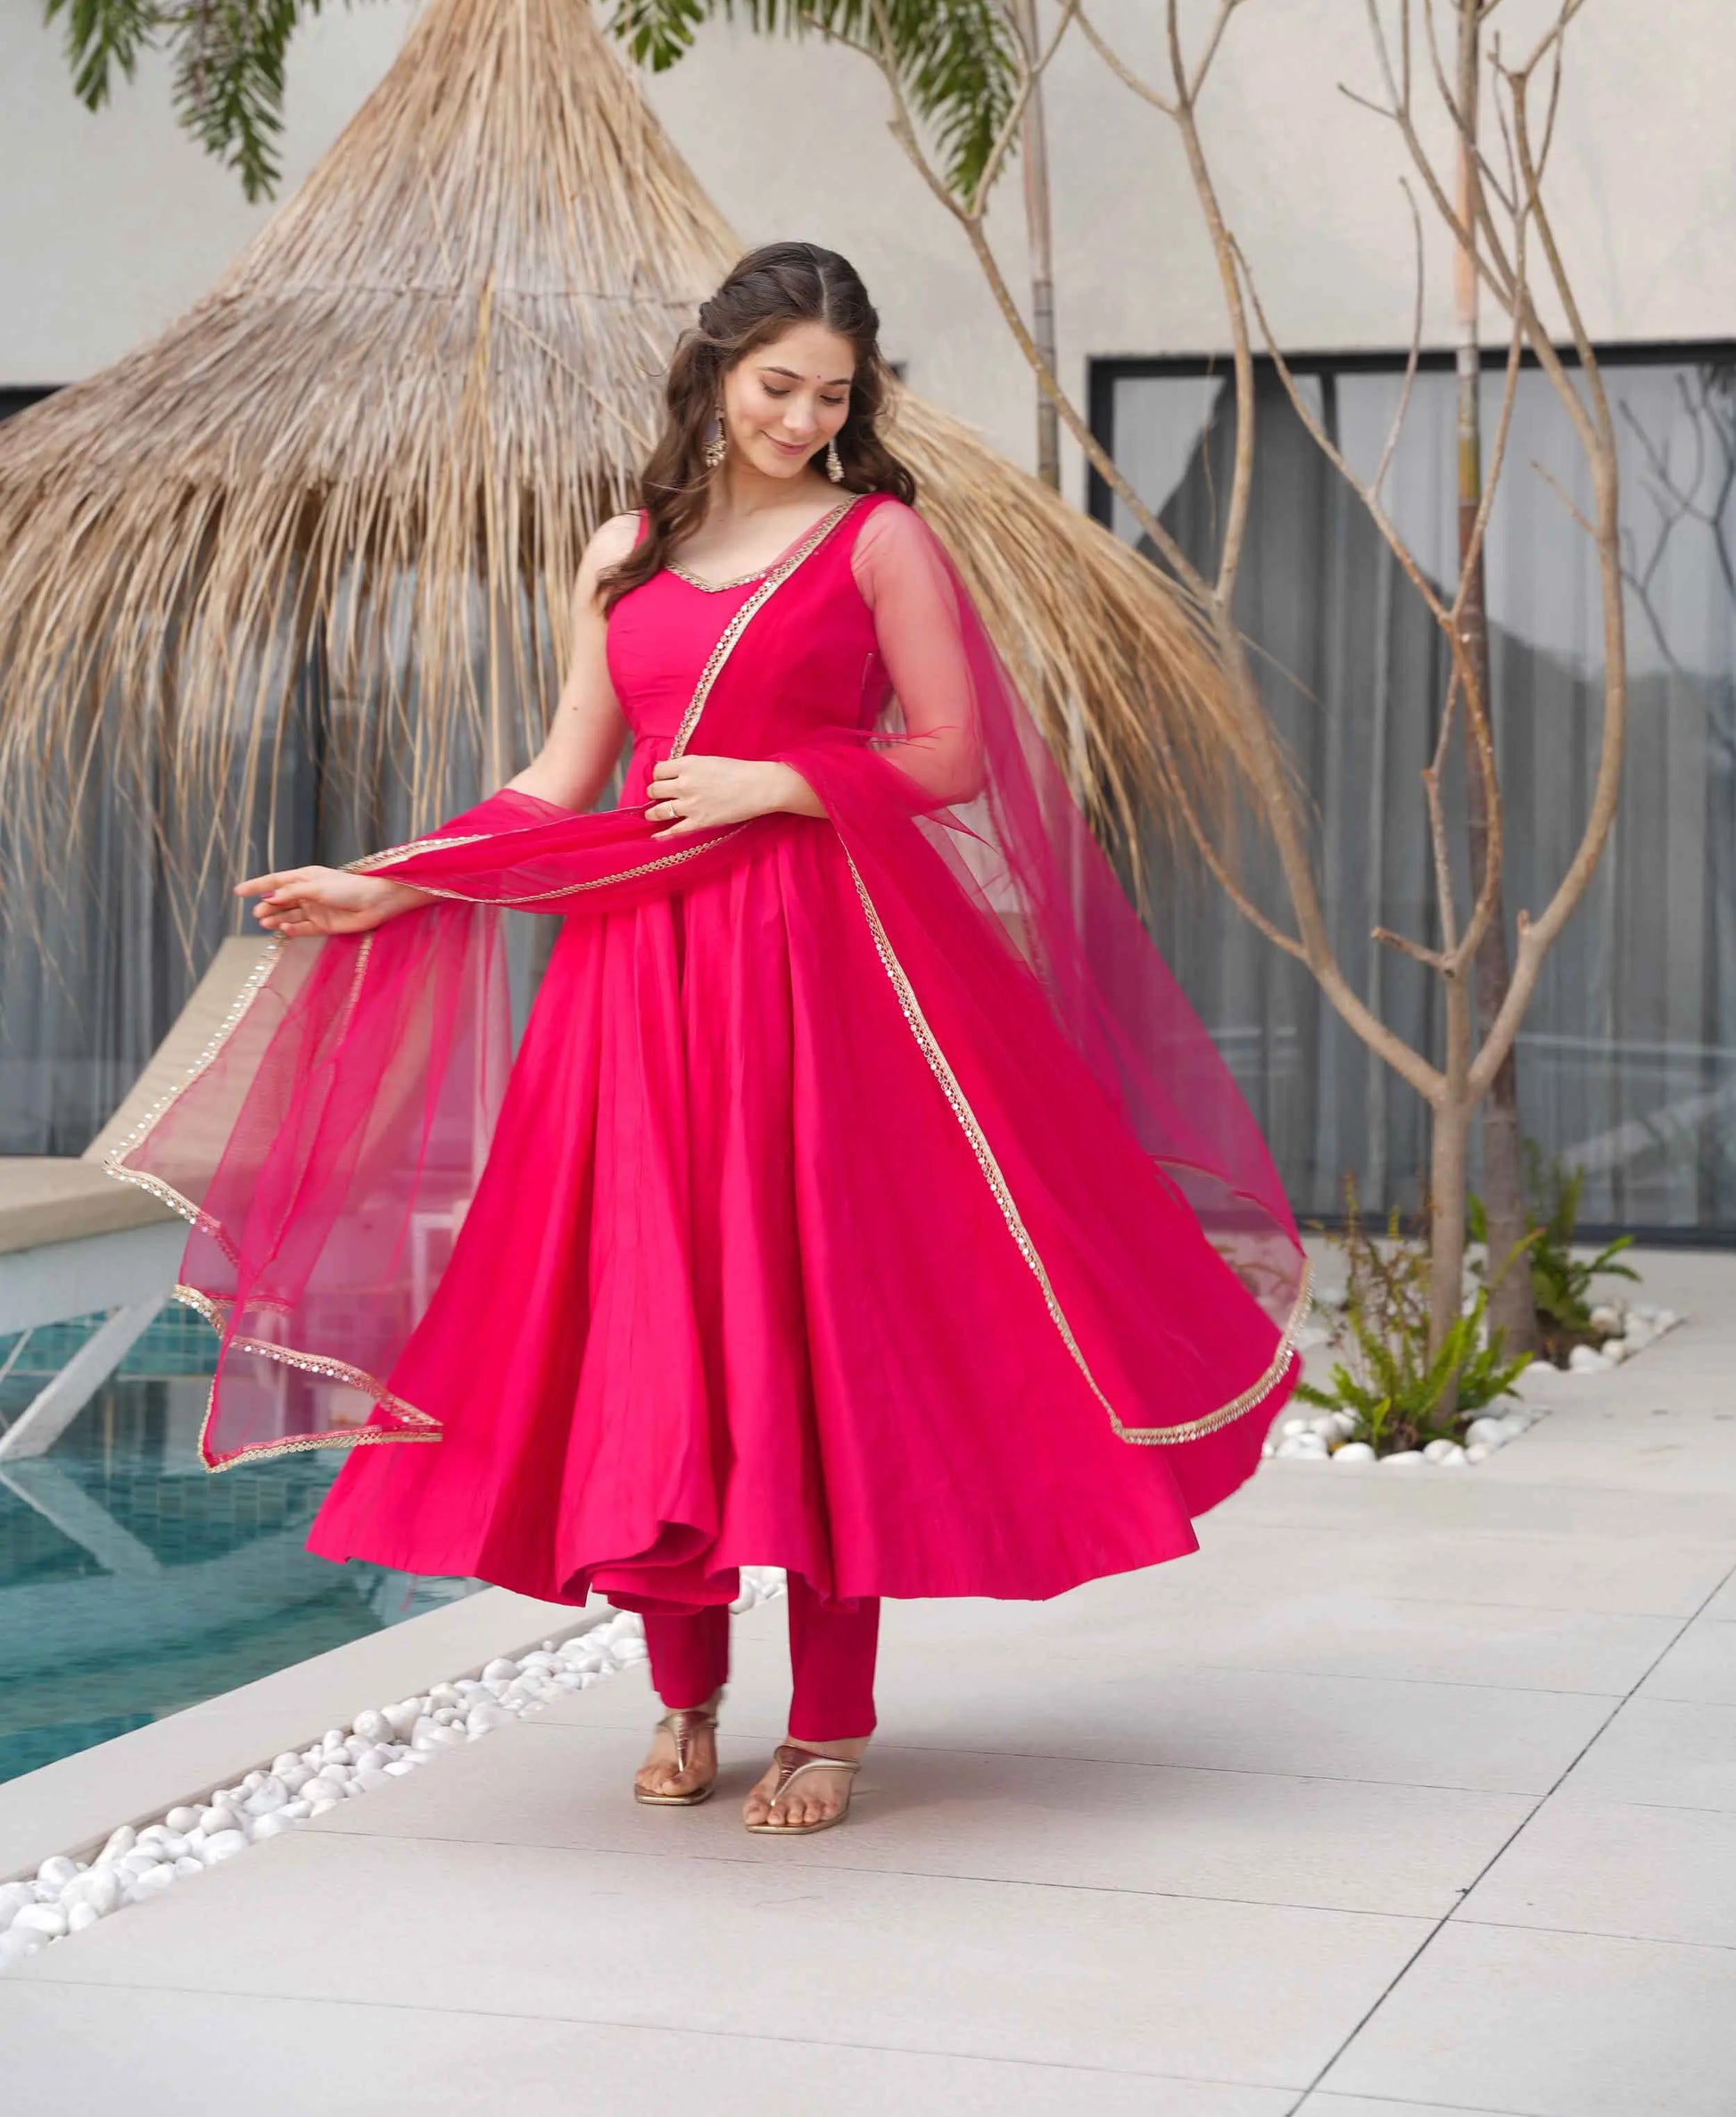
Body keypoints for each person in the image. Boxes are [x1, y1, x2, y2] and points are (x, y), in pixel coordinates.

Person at [115, 241, 1309, 1838]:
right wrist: (386, 882)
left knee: (820, 1326)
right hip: (636, 979)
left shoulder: (879, 539)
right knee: (649, 1313)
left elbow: (952, 752)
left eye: (834, 396)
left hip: (819, 970)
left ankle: (828, 1725)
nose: (804, 420)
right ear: (715, 373)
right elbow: (557, 781)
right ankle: (683, 1694)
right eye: (778, 387)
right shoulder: (622, 551)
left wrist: (786, 779)